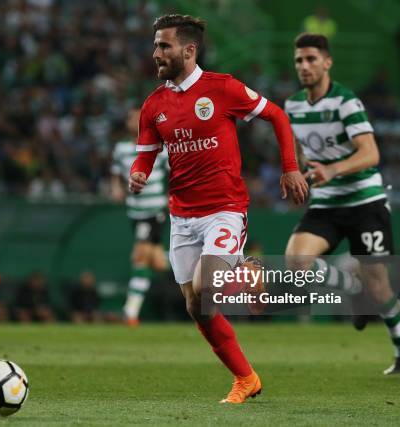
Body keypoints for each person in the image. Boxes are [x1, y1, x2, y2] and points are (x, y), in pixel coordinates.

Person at [129, 14, 308, 404]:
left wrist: (290, 167)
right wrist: (138, 174)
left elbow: (276, 115)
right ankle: (247, 379)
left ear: (189, 50)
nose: (156, 52)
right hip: (182, 217)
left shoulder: (222, 89)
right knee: (198, 308)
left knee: (207, 289)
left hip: (224, 209)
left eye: (164, 45)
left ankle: (246, 272)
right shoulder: (154, 104)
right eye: (156, 45)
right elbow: (145, 154)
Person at [284, 33, 400, 374]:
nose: (304, 66)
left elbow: (370, 153)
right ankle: (353, 289)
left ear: (327, 62)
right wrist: (299, 175)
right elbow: (303, 157)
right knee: (295, 261)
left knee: (380, 286)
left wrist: (333, 169)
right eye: (299, 60)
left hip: (364, 202)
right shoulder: (293, 106)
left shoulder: (346, 101)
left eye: (311, 59)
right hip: (327, 202)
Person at [111, 108, 169, 326]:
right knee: (158, 263)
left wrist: (172, 195)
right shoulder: (122, 149)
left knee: (140, 256)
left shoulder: (159, 145)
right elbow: (116, 173)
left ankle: (130, 310)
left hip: (154, 209)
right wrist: (115, 188)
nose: (134, 120)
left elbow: (173, 171)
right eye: (131, 117)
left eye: (138, 117)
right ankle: (196, 262)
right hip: (134, 210)